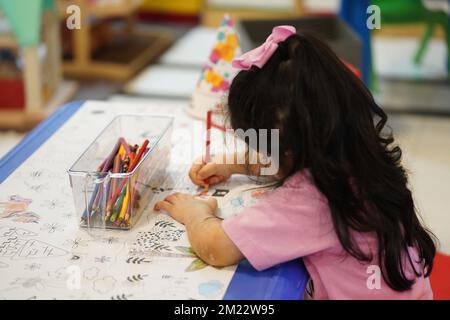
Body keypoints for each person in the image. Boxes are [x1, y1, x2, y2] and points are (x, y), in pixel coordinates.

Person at [154, 26, 436, 299]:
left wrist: (195, 213)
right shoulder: (357, 151)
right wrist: (234, 164)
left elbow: (216, 247)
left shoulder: (311, 201)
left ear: (287, 148)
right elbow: (292, 159)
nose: (260, 152)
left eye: (260, 143)